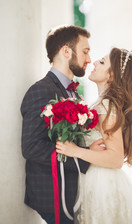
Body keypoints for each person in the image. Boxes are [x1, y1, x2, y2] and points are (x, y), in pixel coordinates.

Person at [56, 47, 132, 224]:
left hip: (103, 185)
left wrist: (75, 150)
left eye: (101, 62)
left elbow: (115, 158)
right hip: (95, 180)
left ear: (112, 76)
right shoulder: (103, 104)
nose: (93, 62)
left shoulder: (107, 106)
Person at [20, 25, 104, 224]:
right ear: (66, 51)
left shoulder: (74, 93)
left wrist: (87, 149)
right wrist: (82, 157)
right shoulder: (40, 91)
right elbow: (31, 147)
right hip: (55, 197)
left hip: (76, 192)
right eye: (85, 52)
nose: (89, 59)